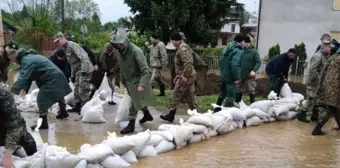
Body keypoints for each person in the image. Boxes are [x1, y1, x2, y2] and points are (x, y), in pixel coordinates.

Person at [6, 47, 72, 130]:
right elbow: (29, 76)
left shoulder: (25, 60)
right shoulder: (29, 57)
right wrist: (25, 89)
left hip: (51, 77)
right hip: (57, 75)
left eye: (11, 60)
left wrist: (11, 92)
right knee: (57, 92)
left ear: (13, 57)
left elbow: (23, 77)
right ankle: (63, 111)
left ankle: (43, 123)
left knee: (42, 98)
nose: (12, 62)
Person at [110, 29, 153, 134]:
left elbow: (145, 70)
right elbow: (122, 67)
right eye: (117, 44)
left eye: (121, 44)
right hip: (129, 81)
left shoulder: (136, 51)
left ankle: (131, 124)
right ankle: (147, 114)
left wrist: (142, 85)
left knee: (133, 103)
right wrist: (123, 80)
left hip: (138, 81)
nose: (119, 46)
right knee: (137, 101)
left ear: (125, 42)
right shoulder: (119, 52)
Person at [160, 32, 197, 122]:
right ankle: (196, 115)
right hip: (188, 76)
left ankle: (171, 115)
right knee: (189, 96)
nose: (172, 43)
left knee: (175, 94)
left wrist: (184, 76)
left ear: (174, 40)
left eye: (172, 41)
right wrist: (178, 76)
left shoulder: (182, 48)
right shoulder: (180, 47)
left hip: (187, 77)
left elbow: (188, 63)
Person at [53, 32, 94, 113]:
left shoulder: (72, 45)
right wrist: (72, 75)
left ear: (62, 38)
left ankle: (87, 109)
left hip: (85, 70)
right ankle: (77, 107)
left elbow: (84, 57)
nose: (57, 44)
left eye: (58, 41)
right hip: (78, 71)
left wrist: (84, 71)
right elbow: (72, 63)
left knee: (83, 90)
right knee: (76, 90)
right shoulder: (65, 48)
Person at [0, 84, 37, 167]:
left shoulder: (4, 95)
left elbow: (15, 127)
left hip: (9, 127)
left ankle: (15, 149)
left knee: (28, 142)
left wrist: (8, 156)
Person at [297, 42, 332, 123]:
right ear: (324, 47)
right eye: (329, 47)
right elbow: (313, 70)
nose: (330, 49)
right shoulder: (318, 56)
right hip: (314, 83)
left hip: (317, 83)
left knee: (315, 99)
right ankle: (302, 114)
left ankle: (313, 116)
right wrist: (319, 81)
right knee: (312, 99)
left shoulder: (324, 56)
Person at [213, 34, 246, 112]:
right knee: (231, 96)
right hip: (231, 76)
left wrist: (223, 71)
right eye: (244, 41)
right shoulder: (238, 50)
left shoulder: (227, 48)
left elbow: (220, 61)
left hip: (224, 74)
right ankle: (225, 113)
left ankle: (216, 110)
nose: (245, 43)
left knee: (222, 93)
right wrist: (237, 77)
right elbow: (235, 65)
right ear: (241, 41)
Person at [312, 48, 340, 136]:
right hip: (335, 88)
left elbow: (323, 72)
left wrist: (321, 87)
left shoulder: (332, 58)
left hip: (327, 87)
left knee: (332, 109)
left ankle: (317, 129)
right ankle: (316, 130)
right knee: (333, 108)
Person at [236, 35, 261, 104]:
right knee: (238, 89)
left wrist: (254, 71)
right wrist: (238, 72)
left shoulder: (254, 52)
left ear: (246, 42)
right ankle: (237, 103)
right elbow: (239, 63)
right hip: (241, 74)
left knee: (251, 90)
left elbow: (258, 62)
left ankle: (252, 104)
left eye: (242, 42)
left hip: (250, 75)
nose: (241, 44)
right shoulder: (242, 51)